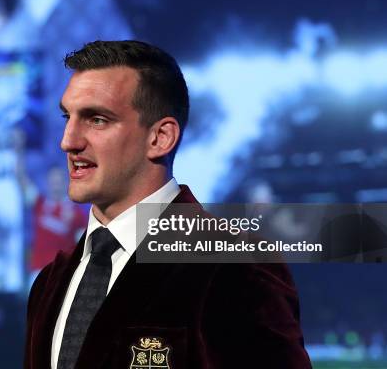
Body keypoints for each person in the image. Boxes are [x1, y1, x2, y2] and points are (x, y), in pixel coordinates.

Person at [24, 40, 311, 368]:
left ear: (160, 138)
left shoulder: (237, 268)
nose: (68, 141)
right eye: (67, 117)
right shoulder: (50, 282)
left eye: (97, 119)